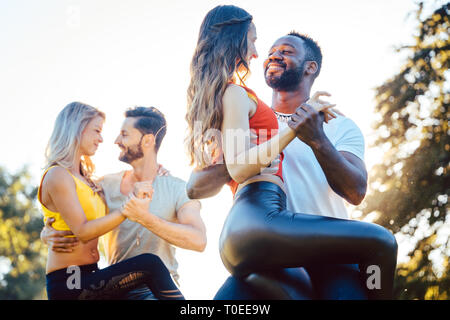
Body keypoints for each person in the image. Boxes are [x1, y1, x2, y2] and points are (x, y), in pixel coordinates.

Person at [185, 5, 398, 300]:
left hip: (333, 257)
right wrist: (247, 151)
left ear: (310, 67)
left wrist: (316, 138)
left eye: (285, 51)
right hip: (273, 255)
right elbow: (195, 186)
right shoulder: (248, 115)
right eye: (269, 49)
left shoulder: (338, 124)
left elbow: (356, 191)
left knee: (368, 271)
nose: (272, 54)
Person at [39, 102, 185, 300]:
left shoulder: (88, 180)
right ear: (77, 128)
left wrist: (154, 170)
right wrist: (128, 209)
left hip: (92, 275)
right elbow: (82, 231)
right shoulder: (58, 174)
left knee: (148, 275)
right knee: (150, 265)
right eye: (96, 131)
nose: (101, 139)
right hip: (69, 283)